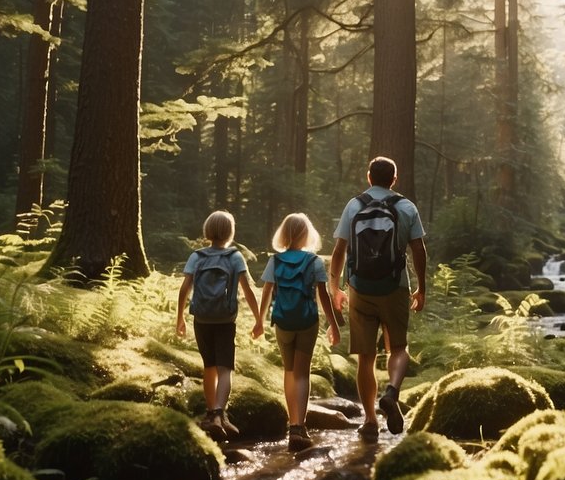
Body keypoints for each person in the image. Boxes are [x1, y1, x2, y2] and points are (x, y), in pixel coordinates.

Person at [328, 156, 427, 443]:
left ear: (368, 177)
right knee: (398, 347)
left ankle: (370, 420)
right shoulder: (406, 207)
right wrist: (421, 288)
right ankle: (392, 391)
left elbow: (339, 252)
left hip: (360, 289)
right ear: (394, 179)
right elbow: (419, 250)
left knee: (365, 358)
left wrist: (335, 288)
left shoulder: (354, 205)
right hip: (395, 287)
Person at [258, 213, 343, 452]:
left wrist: (260, 321)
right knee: (302, 374)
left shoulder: (275, 261)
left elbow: (266, 291)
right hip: (307, 321)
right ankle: (299, 427)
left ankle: (290, 423)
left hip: (283, 321)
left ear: (284, 234)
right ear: (307, 234)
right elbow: (323, 295)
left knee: (288, 371)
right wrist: (333, 324)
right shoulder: (314, 261)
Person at [176, 210, 262, 441]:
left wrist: (180, 318)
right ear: (230, 232)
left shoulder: (197, 256)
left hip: (202, 318)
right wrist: (259, 319)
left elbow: (185, 288)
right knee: (225, 368)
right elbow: (248, 290)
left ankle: (210, 412)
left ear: (207, 230)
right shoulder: (234, 257)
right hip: (225, 320)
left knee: (209, 367)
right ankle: (218, 415)